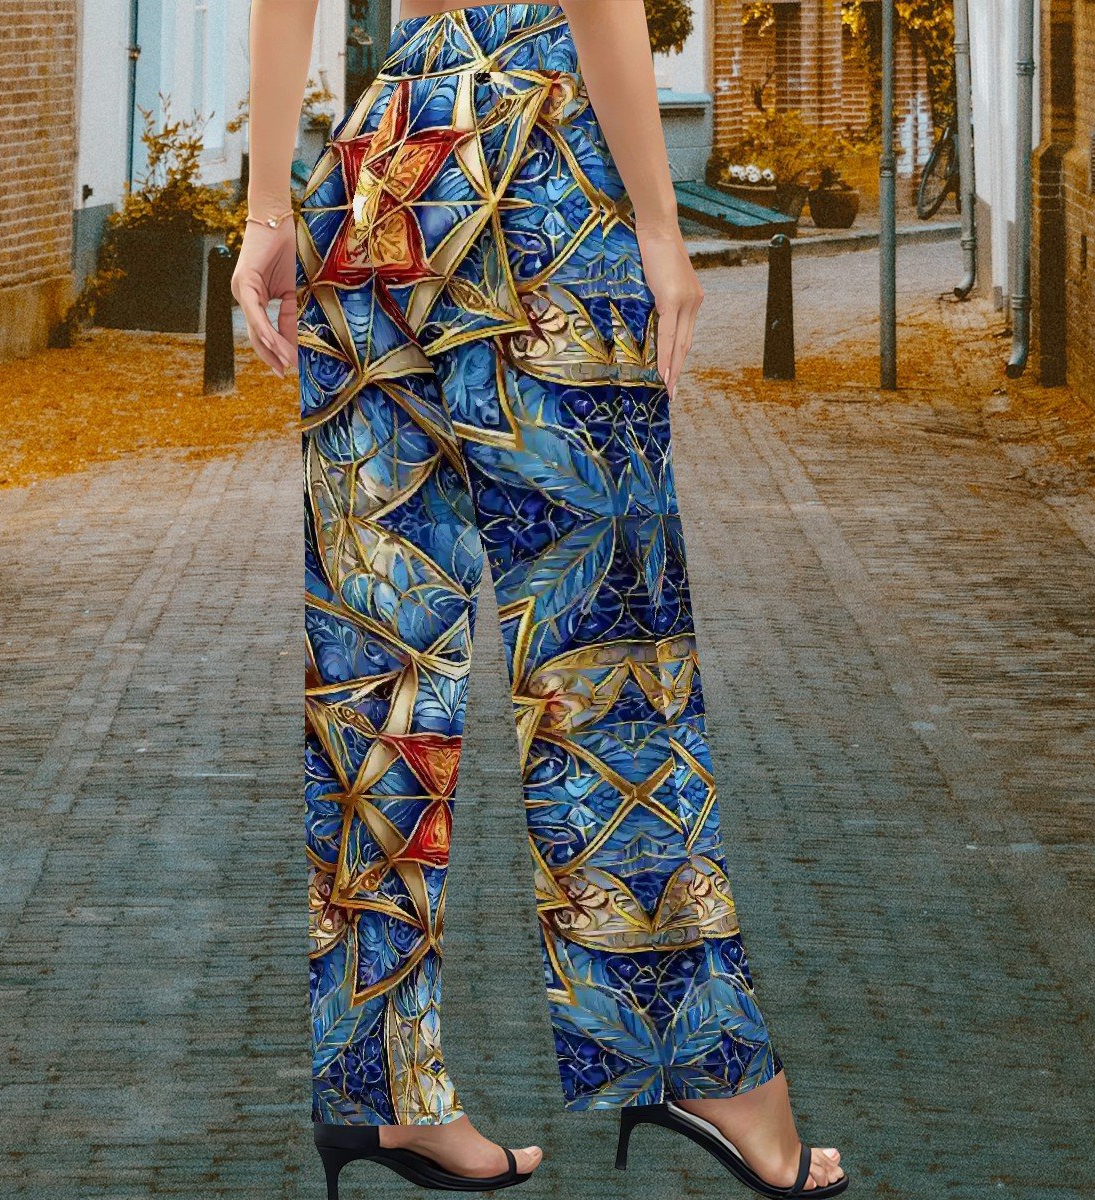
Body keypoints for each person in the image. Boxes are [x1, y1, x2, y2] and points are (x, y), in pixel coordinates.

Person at [232, 2, 849, 1197]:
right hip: (541, 174)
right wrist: (659, 224)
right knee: (604, 649)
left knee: (377, 671)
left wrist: (267, 211)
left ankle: (382, 1090)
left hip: (381, 168)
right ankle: (692, 1063)